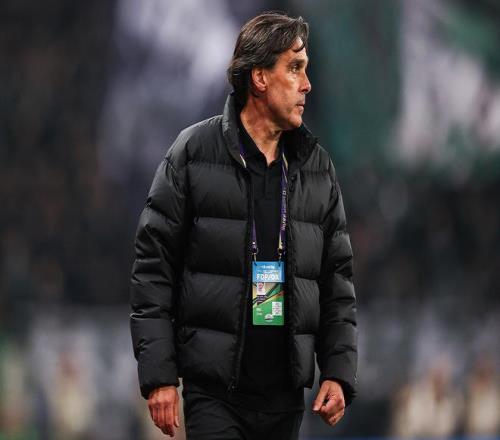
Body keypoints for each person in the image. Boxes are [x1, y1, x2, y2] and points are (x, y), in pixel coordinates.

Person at [130, 12, 358, 439]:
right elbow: (153, 270)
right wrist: (159, 376)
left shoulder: (316, 168)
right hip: (215, 393)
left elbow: (337, 283)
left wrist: (338, 371)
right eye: (295, 68)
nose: (307, 84)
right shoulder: (192, 153)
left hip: (284, 398)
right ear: (260, 78)